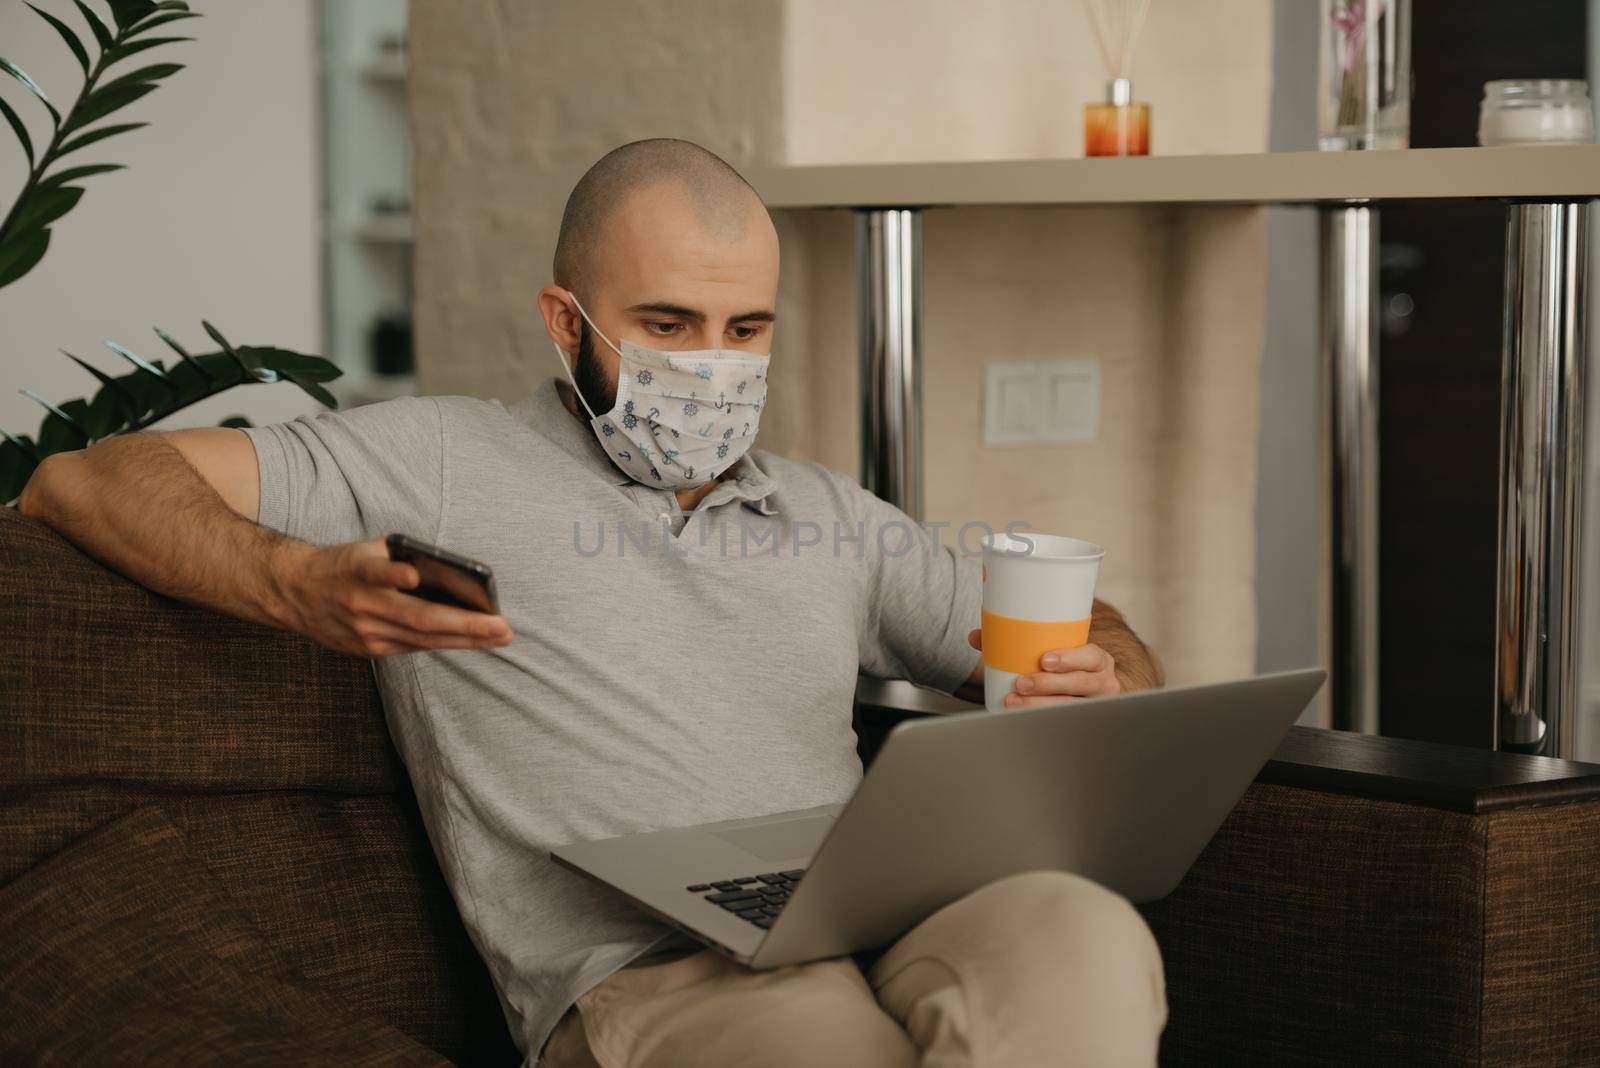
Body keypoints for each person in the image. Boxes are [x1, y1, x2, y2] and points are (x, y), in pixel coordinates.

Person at [20, 139, 1169, 1067]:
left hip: (869, 918)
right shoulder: (442, 457)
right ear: (567, 322)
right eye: (668, 326)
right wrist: (292, 583)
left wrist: (1106, 670)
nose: (713, 367)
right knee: (823, 1042)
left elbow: (1087, 630)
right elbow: (80, 478)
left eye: (745, 330)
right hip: (645, 977)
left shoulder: (828, 513)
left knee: (1085, 937)